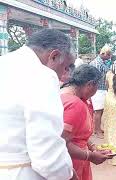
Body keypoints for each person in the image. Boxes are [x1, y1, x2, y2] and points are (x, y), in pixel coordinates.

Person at [0, 29, 75, 179]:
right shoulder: (42, 75)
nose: (65, 76)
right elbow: (46, 156)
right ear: (54, 56)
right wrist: (67, 175)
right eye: (66, 67)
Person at [60, 64, 113, 180]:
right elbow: (61, 143)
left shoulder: (62, 93)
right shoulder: (75, 104)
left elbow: (75, 132)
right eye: (97, 86)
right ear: (90, 85)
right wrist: (90, 156)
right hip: (73, 162)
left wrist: (92, 147)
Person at [89, 45, 112, 138]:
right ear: (104, 54)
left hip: (100, 89)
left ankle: (97, 128)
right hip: (98, 90)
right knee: (98, 111)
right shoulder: (97, 64)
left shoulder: (100, 62)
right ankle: (97, 130)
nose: (109, 57)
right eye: (109, 55)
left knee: (100, 111)